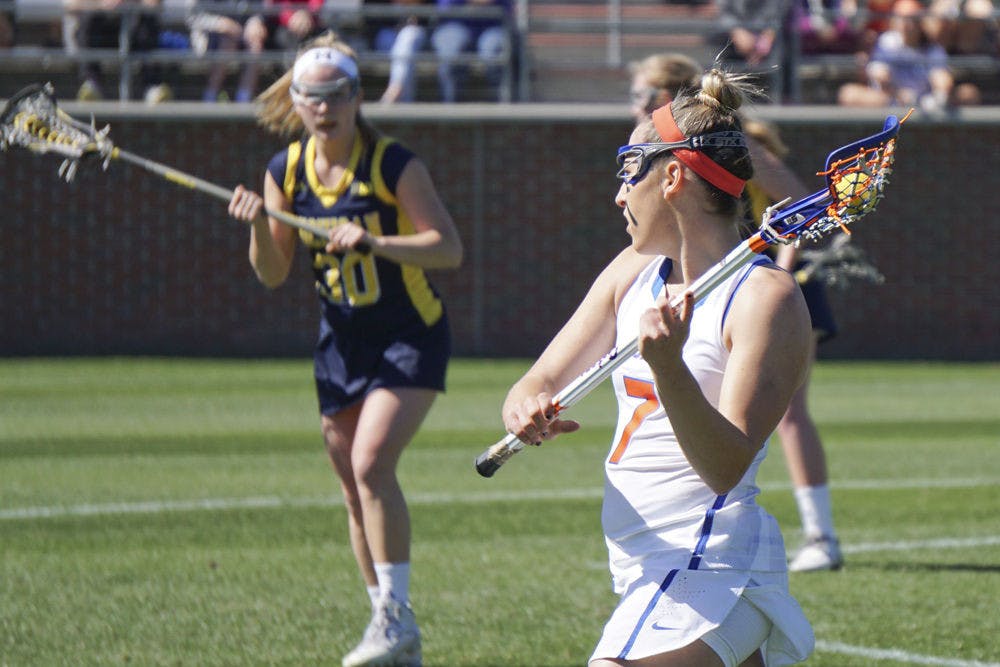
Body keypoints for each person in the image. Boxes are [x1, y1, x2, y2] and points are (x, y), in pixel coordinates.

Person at [502, 69, 815, 666]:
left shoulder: (764, 297)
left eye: (630, 171)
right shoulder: (631, 272)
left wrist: (668, 368)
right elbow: (537, 380)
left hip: (710, 559)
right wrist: (525, 409)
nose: (620, 195)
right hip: (644, 561)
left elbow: (725, 467)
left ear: (672, 177)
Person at [225, 32, 463, 667]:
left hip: (409, 333)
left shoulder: (392, 165)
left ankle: (395, 616)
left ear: (357, 97)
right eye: (312, 96)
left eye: (336, 95)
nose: (324, 107)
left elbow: (448, 248)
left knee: (372, 464)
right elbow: (272, 272)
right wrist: (258, 224)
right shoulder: (285, 171)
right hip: (341, 343)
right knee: (355, 490)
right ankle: (389, 623)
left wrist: (376, 242)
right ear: (296, 101)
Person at [629, 52, 845, 573]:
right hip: (718, 286)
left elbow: (806, 203)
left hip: (762, 288)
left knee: (789, 414)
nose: (634, 105)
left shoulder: (729, 144)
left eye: (641, 95)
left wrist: (782, 264)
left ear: (666, 96)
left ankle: (821, 535)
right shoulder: (661, 153)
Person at [837, 0, 980, 110]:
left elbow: (941, 77)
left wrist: (938, 93)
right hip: (892, 100)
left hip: (925, 102)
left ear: (920, 22)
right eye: (901, 18)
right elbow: (879, 75)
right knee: (848, 93)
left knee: (969, 93)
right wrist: (898, 94)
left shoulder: (931, 47)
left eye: (911, 19)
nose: (906, 24)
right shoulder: (887, 42)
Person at [63, 0, 172, 103]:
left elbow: (154, 4)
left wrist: (128, 3)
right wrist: (102, 5)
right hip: (99, 32)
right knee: (89, 19)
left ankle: (151, 87)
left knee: (148, 20)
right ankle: (91, 85)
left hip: (132, 31)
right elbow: (73, 6)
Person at [187, 2, 270, 102]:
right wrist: (219, 22)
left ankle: (244, 99)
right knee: (227, 42)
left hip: (242, 32)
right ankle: (210, 97)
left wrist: (256, 20)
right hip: (211, 36)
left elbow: (259, 7)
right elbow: (194, 17)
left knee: (255, 43)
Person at [430, 0, 512, 102]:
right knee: (451, 53)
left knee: (494, 50)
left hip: (493, 23)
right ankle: (450, 106)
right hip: (454, 22)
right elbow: (445, 7)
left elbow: (507, 8)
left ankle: (501, 105)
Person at [366, 0, 432, 103]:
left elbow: (434, 14)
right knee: (402, 50)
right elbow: (371, 17)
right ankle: (400, 97)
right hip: (388, 34)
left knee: (407, 38)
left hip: (417, 36)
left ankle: (395, 91)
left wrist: (415, 8)